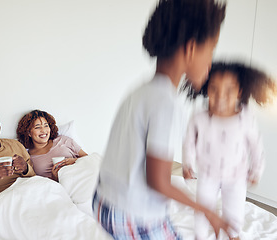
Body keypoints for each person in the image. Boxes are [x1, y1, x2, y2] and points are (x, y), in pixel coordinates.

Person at [93, 0, 230, 239]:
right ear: (190, 48)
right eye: (210, 51)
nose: (210, 64)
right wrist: (207, 210)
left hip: (103, 202)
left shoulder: (140, 90)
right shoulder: (168, 103)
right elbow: (158, 181)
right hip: (132, 214)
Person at [182, 61, 276, 240]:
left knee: (234, 214)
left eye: (229, 90)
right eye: (214, 89)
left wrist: (257, 170)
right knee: (202, 209)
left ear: (240, 91)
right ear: (205, 88)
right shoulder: (199, 118)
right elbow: (189, 142)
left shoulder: (245, 118)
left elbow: (256, 146)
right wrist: (187, 163)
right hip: (207, 174)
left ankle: (232, 236)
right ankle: (199, 236)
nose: (220, 96)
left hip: (236, 177)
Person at [16, 110, 88, 182]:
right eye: (37, 127)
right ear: (28, 132)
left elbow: (88, 159)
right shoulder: (28, 158)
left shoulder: (63, 140)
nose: (43, 130)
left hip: (80, 177)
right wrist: (54, 178)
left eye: (46, 126)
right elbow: (36, 183)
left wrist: (75, 161)